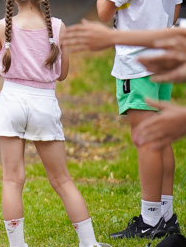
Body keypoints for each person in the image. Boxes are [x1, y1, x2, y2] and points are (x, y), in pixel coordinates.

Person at [0, 0, 105, 247]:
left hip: (11, 102)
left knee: (12, 179)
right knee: (62, 179)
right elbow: (62, 73)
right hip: (43, 103)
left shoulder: (4, 27)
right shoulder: (58, 27)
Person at [89, 0, 182, 238]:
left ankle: (149, 220)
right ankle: (166, 214)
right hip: (165, 62)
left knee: (146, 140)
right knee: (163, 139)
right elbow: (172, 9)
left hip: (136, 64)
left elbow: (104, 13)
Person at [64, 21, 186, 161]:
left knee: (149, 141)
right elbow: (180, 33)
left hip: (135, 69)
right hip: (140, 66)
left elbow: (180, 34)